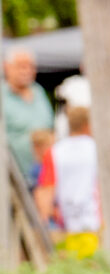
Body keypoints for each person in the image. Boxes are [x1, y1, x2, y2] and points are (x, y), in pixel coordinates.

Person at [37, 106, 99, 258]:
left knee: (72, 263)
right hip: (96, 219)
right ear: (87, 125)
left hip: (67, 221)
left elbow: (47, 190)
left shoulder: (55, 151)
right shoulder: (97, 148)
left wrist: (45, 221)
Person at [2, 49, 52, 189]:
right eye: (21, 66)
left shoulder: (38, 91)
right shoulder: (2, 96)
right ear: (6, 67)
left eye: (31, 66)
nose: (26, 71)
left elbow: (50, 126)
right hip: (14, 180)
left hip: (44, 175)